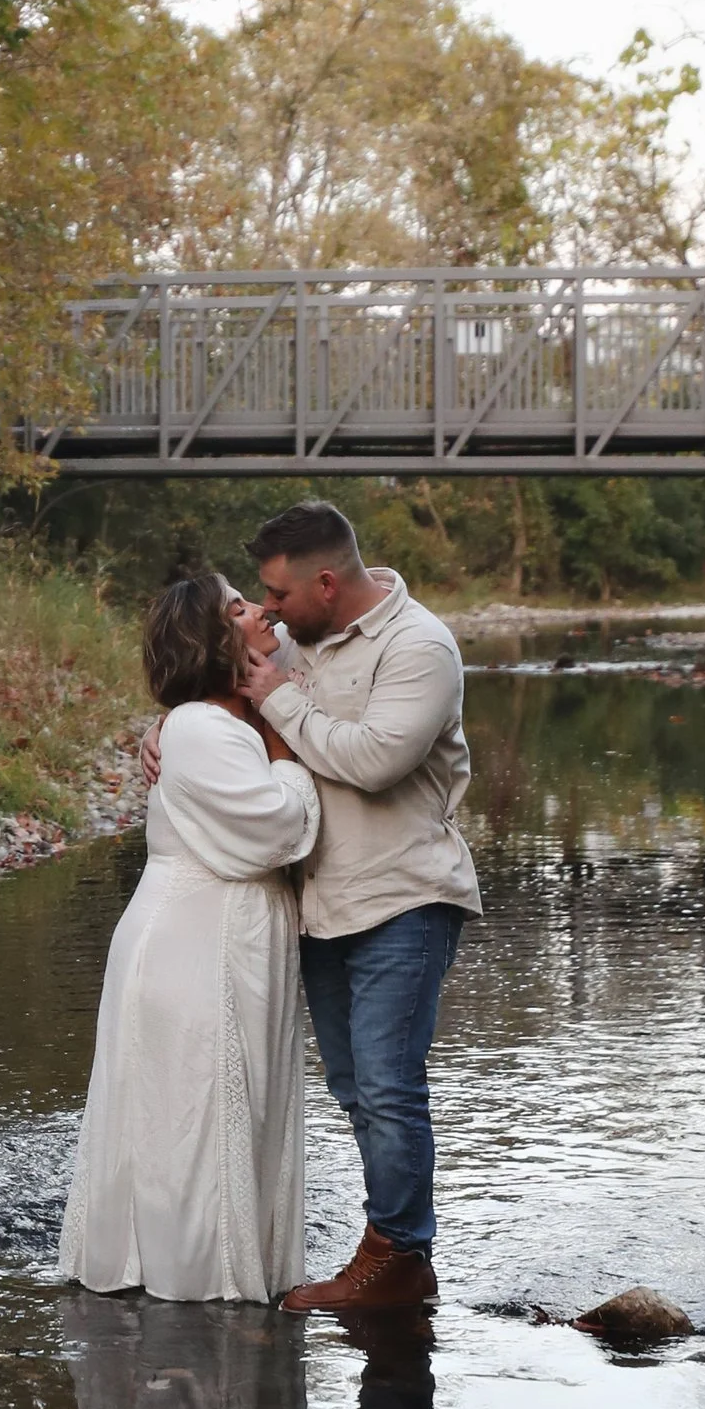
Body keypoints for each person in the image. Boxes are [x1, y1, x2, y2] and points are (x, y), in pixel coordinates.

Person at [233, 500, 479, 1317]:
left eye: (278, 595)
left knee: (388, 1086)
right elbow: (258, 725)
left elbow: (372, 762)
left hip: (405, 898)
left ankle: (399, 1258)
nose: (269, 610)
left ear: (328, 583)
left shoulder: (421, 648)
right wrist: (166, 732)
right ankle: (396, 1260)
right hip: (324, 903)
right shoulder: (302, 641)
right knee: (353, 1087)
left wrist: (278, 699)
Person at [57, 569, 321, 1300]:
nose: (263, 613)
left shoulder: (219, 717)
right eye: (239, 607)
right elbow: (278, 831)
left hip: (225, 931)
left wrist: (261, 713)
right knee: (195, 1112)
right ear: (212, 639)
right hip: (194, 941)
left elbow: (304, 644)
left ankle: (209, 1281)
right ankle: (192, 1285)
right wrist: (284, 750)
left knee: (221, 1109)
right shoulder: (206, 729)